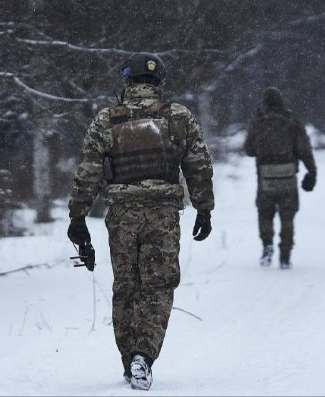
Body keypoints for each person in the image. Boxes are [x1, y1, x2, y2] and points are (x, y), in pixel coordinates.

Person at [67, 52, 214, 390]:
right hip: (163, 215)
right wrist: (204, 208)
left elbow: (88, 171)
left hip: (122, 216)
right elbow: (198, 165)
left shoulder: (107, 120)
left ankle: (129, 360)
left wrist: (78, 216)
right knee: (158, 285)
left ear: (127, 81)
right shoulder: (178, 116)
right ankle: (143, 357)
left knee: (126, 286)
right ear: (158, 82)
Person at [243, 87, 316, 269]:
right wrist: (311, 172)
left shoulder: (258, 123)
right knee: (288, 217)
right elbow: (304, 150)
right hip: (288, 177)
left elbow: (249, 150)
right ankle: (285, 255)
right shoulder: (292, 122)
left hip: (265, 178)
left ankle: (267, 246)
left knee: (265, 215)